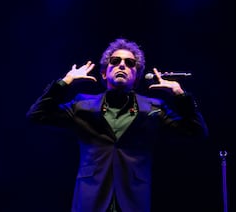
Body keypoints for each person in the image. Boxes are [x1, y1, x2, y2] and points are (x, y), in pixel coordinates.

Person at [26, 38, 208, 212]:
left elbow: (197, 131)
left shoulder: (153, 109)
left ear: (136, 76)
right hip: (90, 201)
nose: (122, 65)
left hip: (133, 201)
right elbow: (36, 115)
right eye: (115, 61)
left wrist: (180, 94)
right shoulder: (82, 106)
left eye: (130, 63)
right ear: (104, 72)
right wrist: (64, 82)